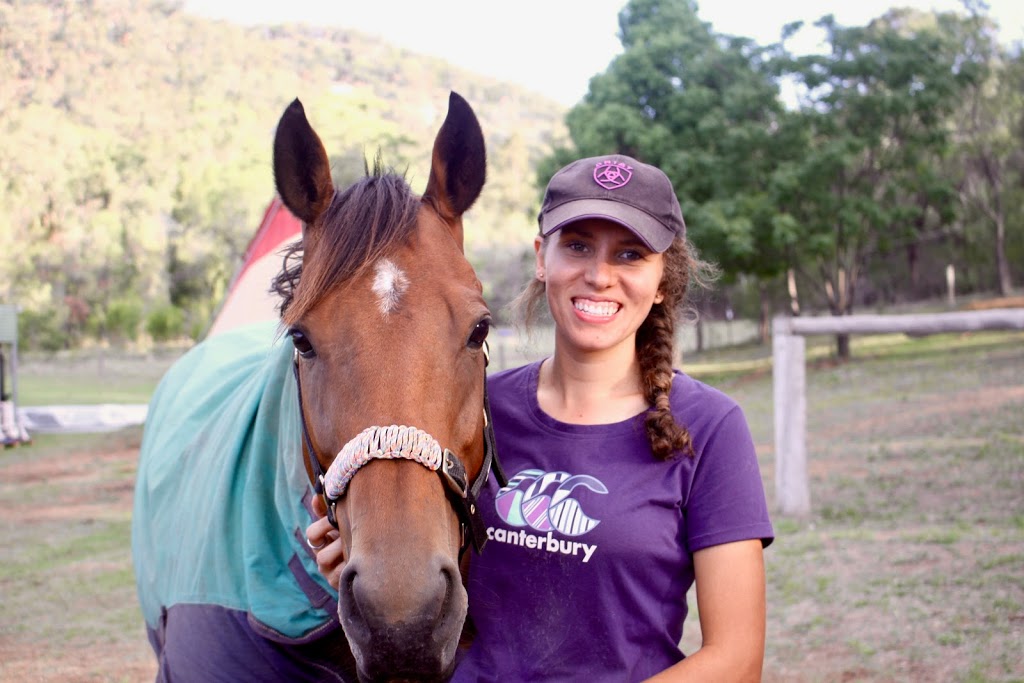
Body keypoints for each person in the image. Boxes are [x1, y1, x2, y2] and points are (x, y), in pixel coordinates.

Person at [307, 154, 774, 681]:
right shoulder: (478, 410)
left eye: (630, 255)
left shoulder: (710, 427)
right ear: (540, 258)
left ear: (663, 279)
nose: (599, 276)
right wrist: (369, 567)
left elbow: (736, 660)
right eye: (576, 246)